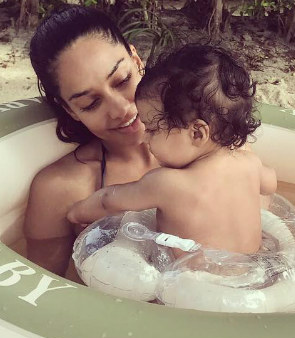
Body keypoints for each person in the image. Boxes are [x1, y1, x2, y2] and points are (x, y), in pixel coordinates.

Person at [67, 44, 277, 258]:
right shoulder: (250, 163)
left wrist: (77, 212)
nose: (143, 137)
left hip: (197, 283)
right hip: (254, 269)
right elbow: (271, 183)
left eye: (152, 129)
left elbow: (109, 200)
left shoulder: (167, 183)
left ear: (197, 133)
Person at [25, 6, 158, 278]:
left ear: (136, 60)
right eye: (90, 103)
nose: (120, 109)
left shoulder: (209, 144)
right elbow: (43, 296)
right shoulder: (61, 190)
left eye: (122, 80)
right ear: (70, 109)